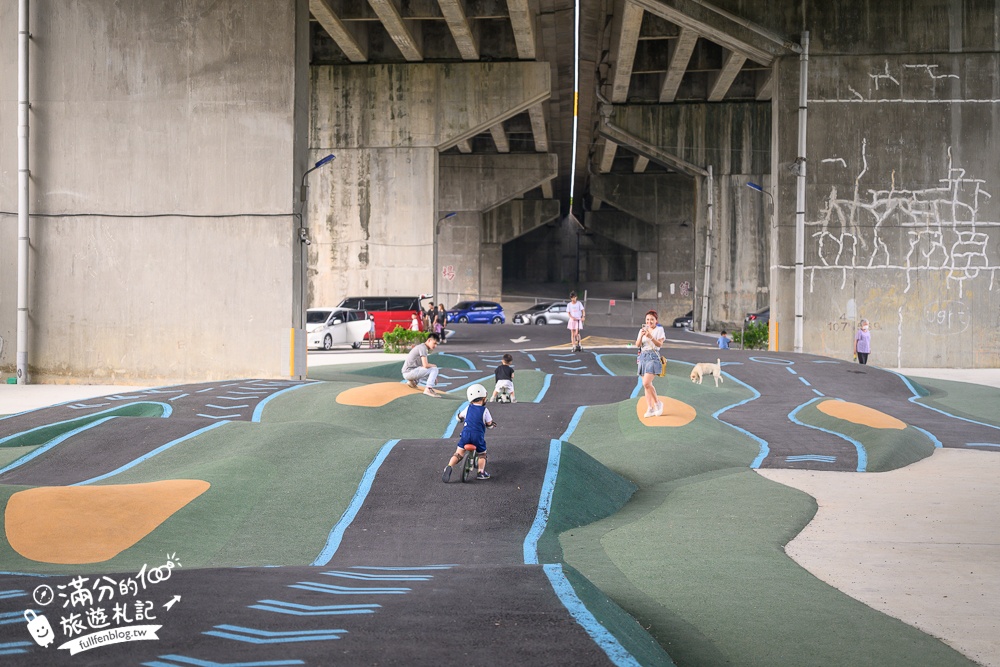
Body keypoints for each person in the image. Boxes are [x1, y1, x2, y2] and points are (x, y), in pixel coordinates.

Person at [442, 384, 494, 482]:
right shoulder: (485, 410)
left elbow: (459, 417)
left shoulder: (468, 408)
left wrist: (459, 418)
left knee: (458, 453)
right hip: (477, 437)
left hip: (465, 435)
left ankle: (449, 466)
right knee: (482, 454)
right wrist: (490, 425)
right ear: (483, 398)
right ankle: (481, 472)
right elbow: (489, 423)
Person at [636, 310, 665, 418]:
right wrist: (641, 335)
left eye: (652, 319)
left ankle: (658, 403)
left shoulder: (659, 330)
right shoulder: (642, 330)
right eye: (647, 319)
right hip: (643, 356)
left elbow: (660, 344)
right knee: (647, 385)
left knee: (646, 383)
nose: (649, 321)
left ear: (656, 320)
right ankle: (650, 408)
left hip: (653, 356)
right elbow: (637, 344)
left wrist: (650, 337)